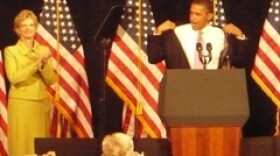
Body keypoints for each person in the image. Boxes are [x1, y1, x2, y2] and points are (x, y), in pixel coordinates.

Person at [4, 9, 56, 156]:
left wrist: (44, 64)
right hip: (21, 104)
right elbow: (14, 77)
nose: (28, 28)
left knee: (40, 147)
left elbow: (51, 80)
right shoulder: (11, 51)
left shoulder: (44, 50)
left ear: (36, 27)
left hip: (40, 103)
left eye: (31, 25)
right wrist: (36, 63)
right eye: (24, 25)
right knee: (22, 145)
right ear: (17, 29)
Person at [147, 0, 226, 69]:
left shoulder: (219, 34)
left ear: (209, 16)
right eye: (191, 13)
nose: (193, 18)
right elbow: (154, 57)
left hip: (212, 82)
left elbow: (232, 60)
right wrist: (158, 32)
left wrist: (238, 35)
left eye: (197, 14)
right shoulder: (178, 31)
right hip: (182, 82)